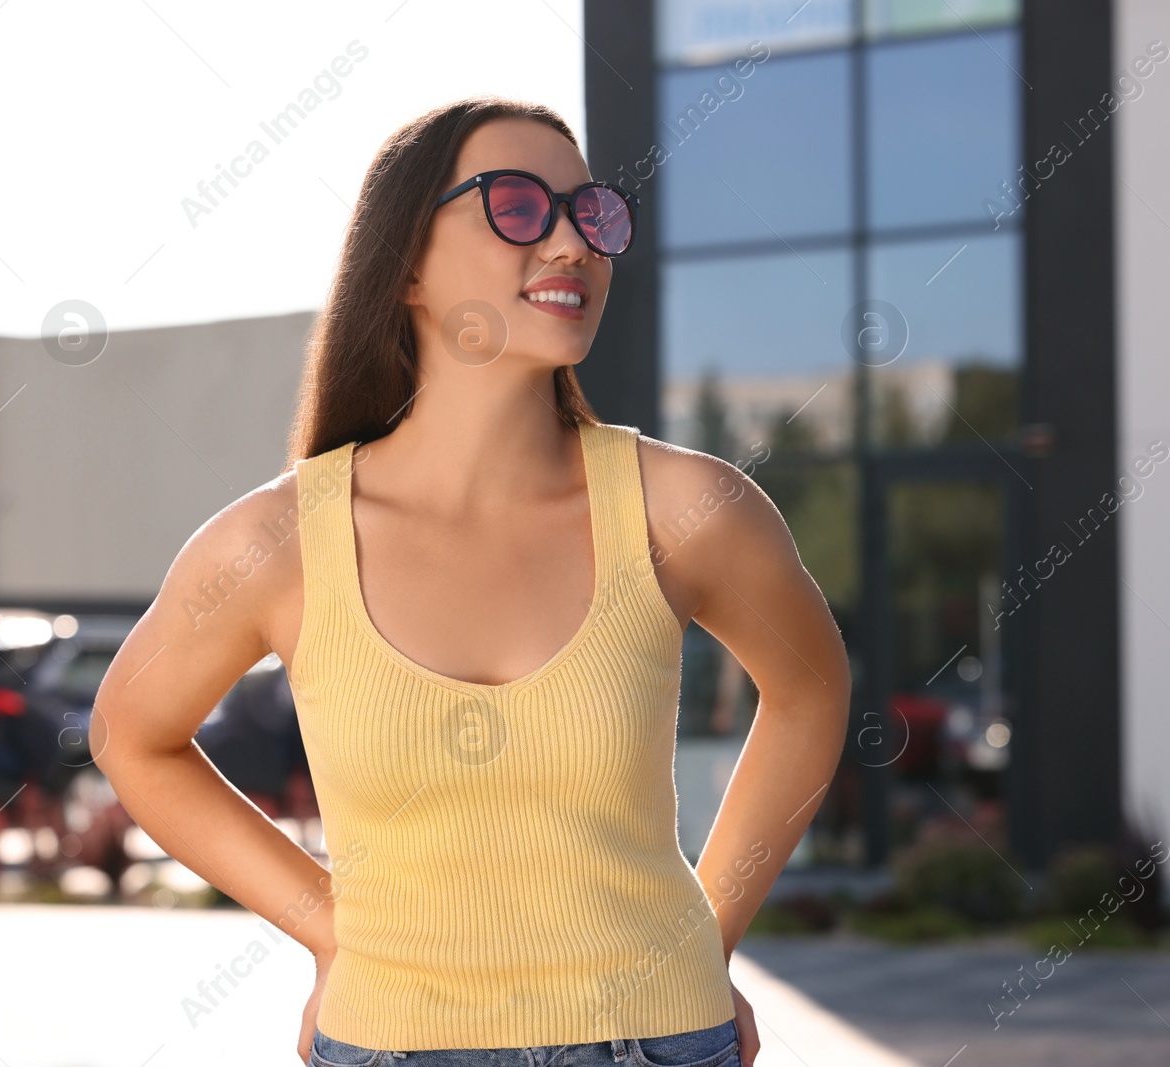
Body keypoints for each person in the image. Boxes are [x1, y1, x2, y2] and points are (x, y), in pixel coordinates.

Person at [91, 95, 850, 1067]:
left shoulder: (688, 508)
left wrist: (710, 927)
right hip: (386, 1041)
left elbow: (810, 689)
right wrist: (325, 925)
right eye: (520, 207)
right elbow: (131, 734)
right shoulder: (275, 540)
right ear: (404, 260)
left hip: (658, 1038)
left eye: (593, 214)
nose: (573, 241)